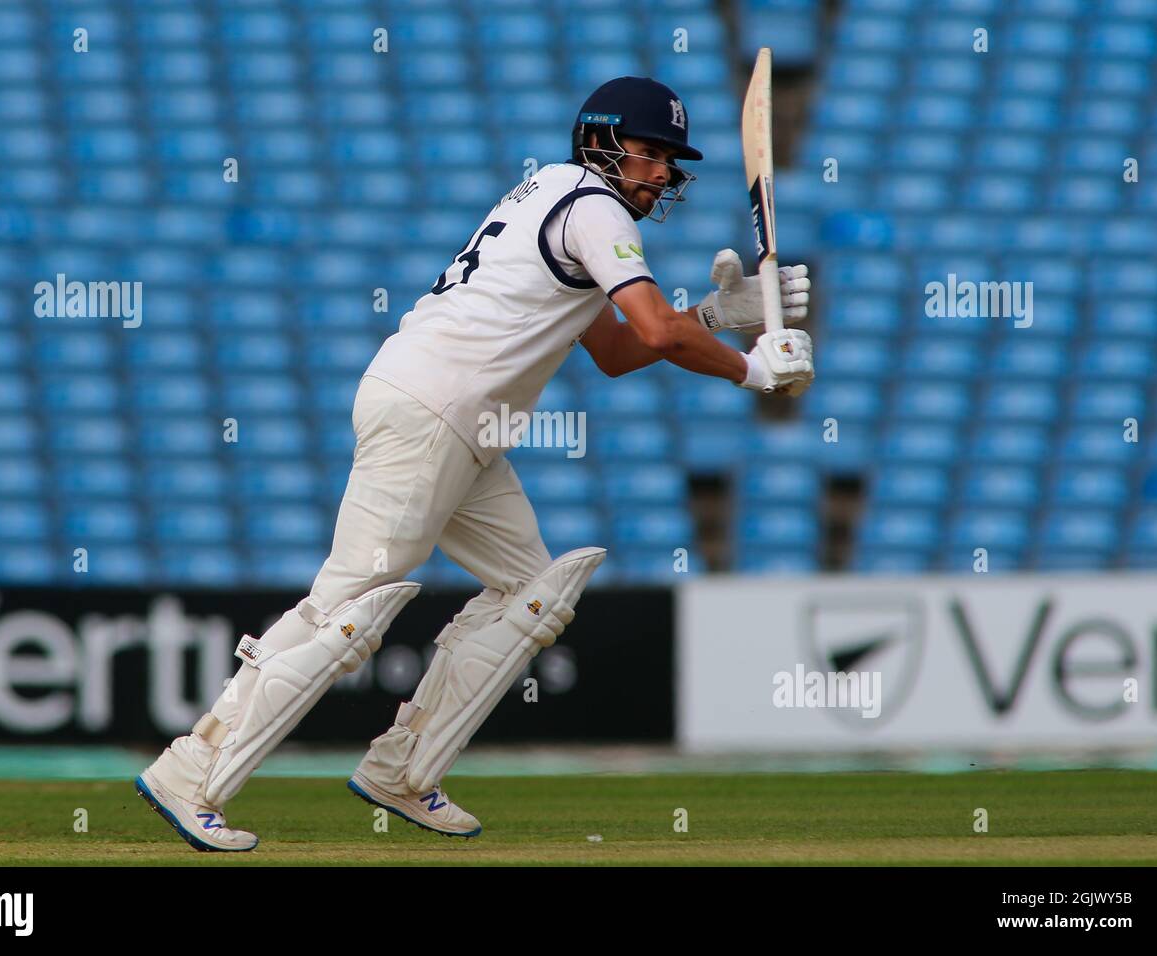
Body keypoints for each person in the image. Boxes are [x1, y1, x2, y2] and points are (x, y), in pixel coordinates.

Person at [135, 75, 814, 850]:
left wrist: (720, 316)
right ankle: (192, 772)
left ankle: (403, 770)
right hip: (433, 410)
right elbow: (656, 333)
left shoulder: (552, 197)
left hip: (461, 422)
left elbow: (622, 350)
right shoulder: (590, 206)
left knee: (532, 592)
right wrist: (752, 368)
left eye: (670, 159)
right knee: (346, 614)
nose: (660, 172)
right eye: (650, 152)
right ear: (601, 140)